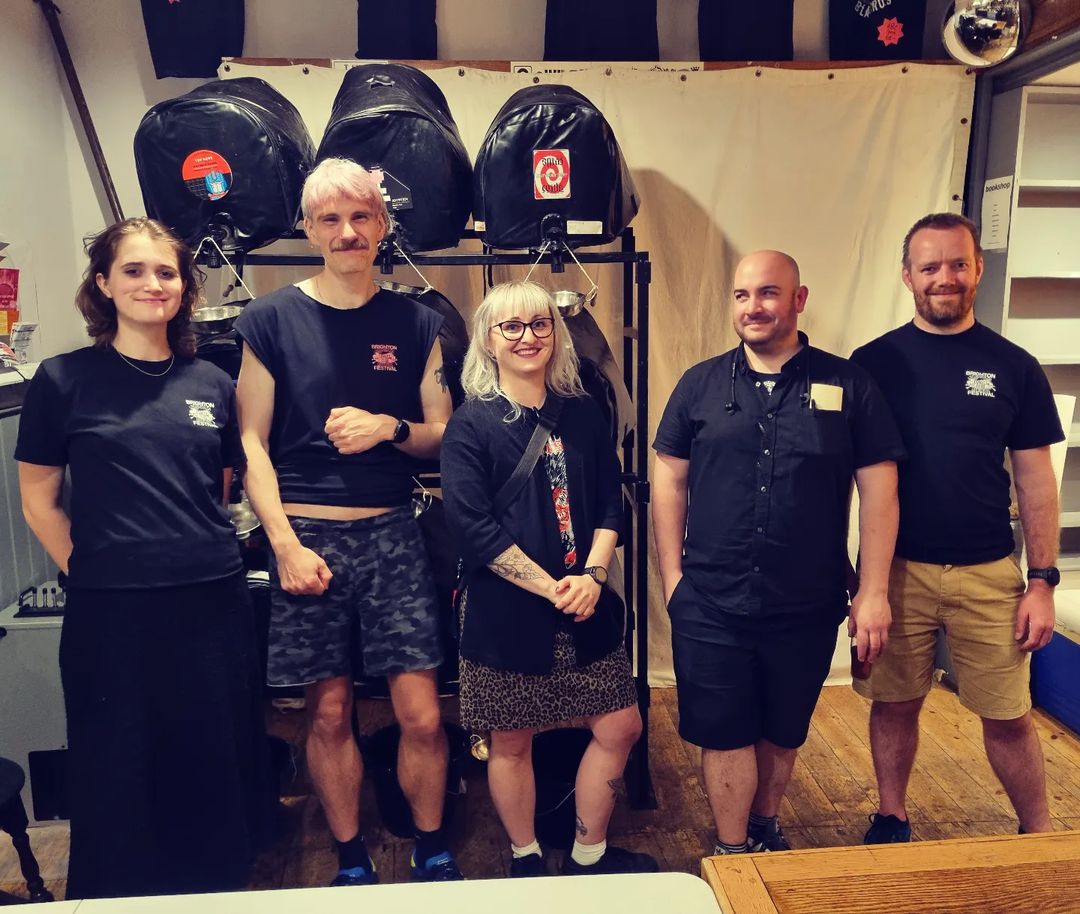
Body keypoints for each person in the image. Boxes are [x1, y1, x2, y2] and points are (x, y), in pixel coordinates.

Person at [14, 217, 271, 899]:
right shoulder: (63, 380)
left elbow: (217, 492)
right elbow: (39, 501)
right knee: (119, 763)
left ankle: (216, 889)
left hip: (213, 603)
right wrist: (94, 572)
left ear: (185, 286)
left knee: (211, 757)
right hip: (113, 615)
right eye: (133, 270)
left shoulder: (210, 381)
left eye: (166, 272)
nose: (152, 284)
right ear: (103, 282)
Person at [234, 157, 460, 884]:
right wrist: (283, 544)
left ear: (383, 226)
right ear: (309, 229)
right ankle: (352, 858)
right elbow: (250, 443)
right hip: (308, 537)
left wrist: (388, 427)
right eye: (330, 219)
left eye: (361, 217)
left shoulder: (417, 319)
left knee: (422, 714)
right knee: (327, 714)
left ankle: (432, 848)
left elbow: (441, 433)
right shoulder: (268, 318)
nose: (347, 231)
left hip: (393, 531)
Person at [652, 250, 906, 855]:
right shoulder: (700, 384)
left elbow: (881, 491)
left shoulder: (849, 384)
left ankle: (764, 822)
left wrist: (872, 592)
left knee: (783, 727)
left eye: (768, 293)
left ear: (799, 299)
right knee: (724, 730)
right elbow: (668, 477)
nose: (753, 307)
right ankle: (735, 849)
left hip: (809, 599)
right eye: (742, 295)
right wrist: (673, 579)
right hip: (711, 599)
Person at [850, 213, 1064, 843]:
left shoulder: (1015, 367)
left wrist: (1044, 580)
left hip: (990, 573)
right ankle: (892, 814)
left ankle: (1041, 830)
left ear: (977, 269)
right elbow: (851, 475)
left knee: (1008, 714)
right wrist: (866, 584)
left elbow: (1036, 482)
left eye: (956, 264)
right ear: (907, 276)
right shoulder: (873, 364)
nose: (944, 278)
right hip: (898, 573)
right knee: (894, 703)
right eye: (929, 266)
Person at [440, 281, 657, 878]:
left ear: (556, 333)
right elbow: (473, 529)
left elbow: (612, 501)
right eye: (511, 326)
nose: (528, 336)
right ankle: (526, 858)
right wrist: (553, 588)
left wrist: (591, 574)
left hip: (587, 602)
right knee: (511, 741)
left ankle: (589, 855)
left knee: (621, 724)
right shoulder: (470, 426)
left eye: (539, 324)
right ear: (488, 339)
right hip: (507, 615)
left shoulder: (585, 411)